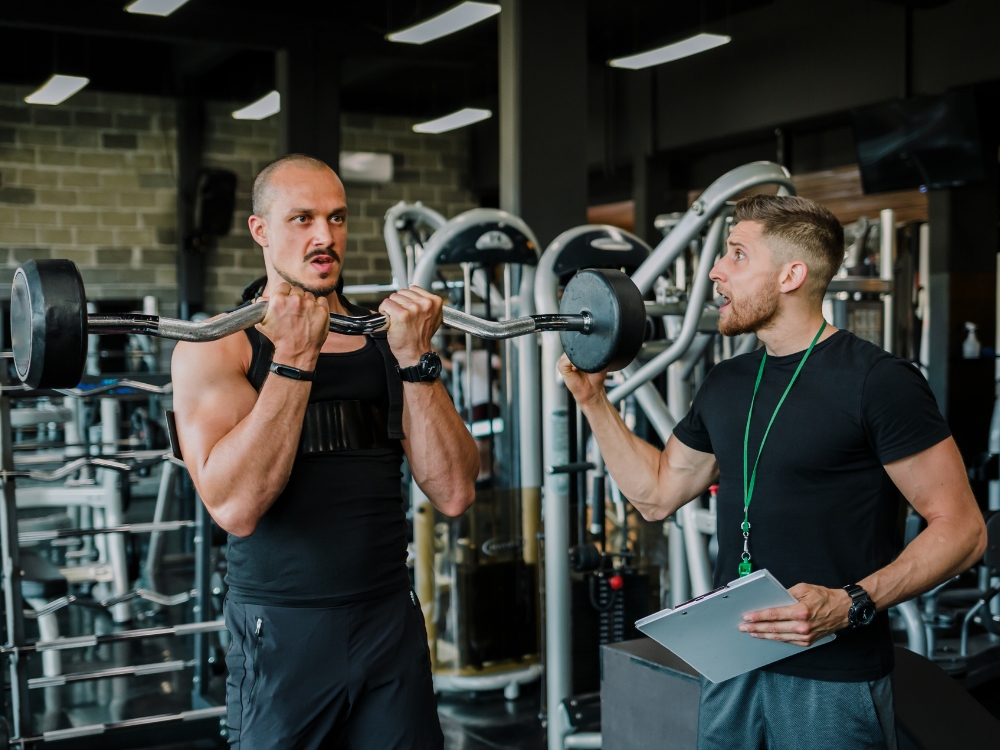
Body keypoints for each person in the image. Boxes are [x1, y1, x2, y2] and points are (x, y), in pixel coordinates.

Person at [558, 195, 987, 750]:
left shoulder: (880, 382)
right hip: (731, 669)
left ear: (791, 274)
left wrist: (851, 602)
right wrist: (593, 402)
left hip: (832, 681)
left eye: (736, 254)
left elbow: (963, 529)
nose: (716, 270)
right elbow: (657, 495)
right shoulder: (726, 383)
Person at [172, 154, 480, 750]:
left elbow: (455, 492)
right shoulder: (217, 347)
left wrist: (416, 360)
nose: (324, 237)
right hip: (281, 629)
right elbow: (234, 507)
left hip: (387, 621)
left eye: (337, 219)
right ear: (261, 231)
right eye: (302, 219)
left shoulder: (387, 339)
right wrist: (295, 357)